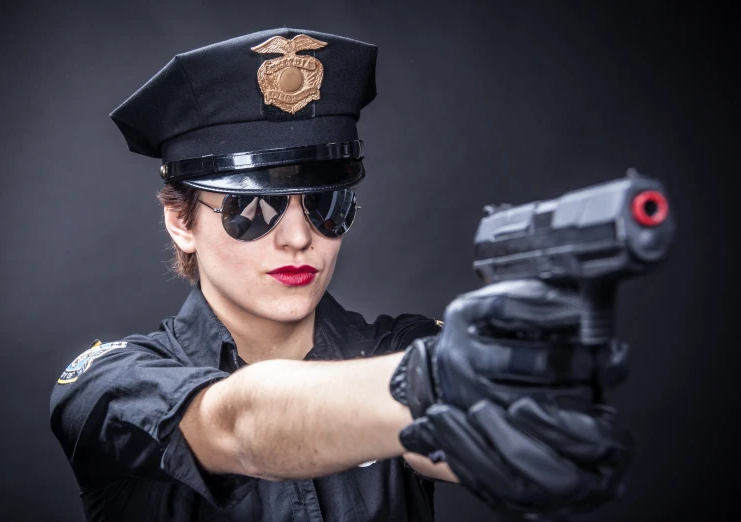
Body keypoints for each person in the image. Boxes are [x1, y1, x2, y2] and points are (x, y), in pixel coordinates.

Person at [50, 28, 633, 522]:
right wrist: (432, 385)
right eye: (251, 211)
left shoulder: (400, 347)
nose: (300, 237)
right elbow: (239, 426)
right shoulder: (110, 384)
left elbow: (452, 444)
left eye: (326, 204)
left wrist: (533, 414)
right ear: (181, 222)